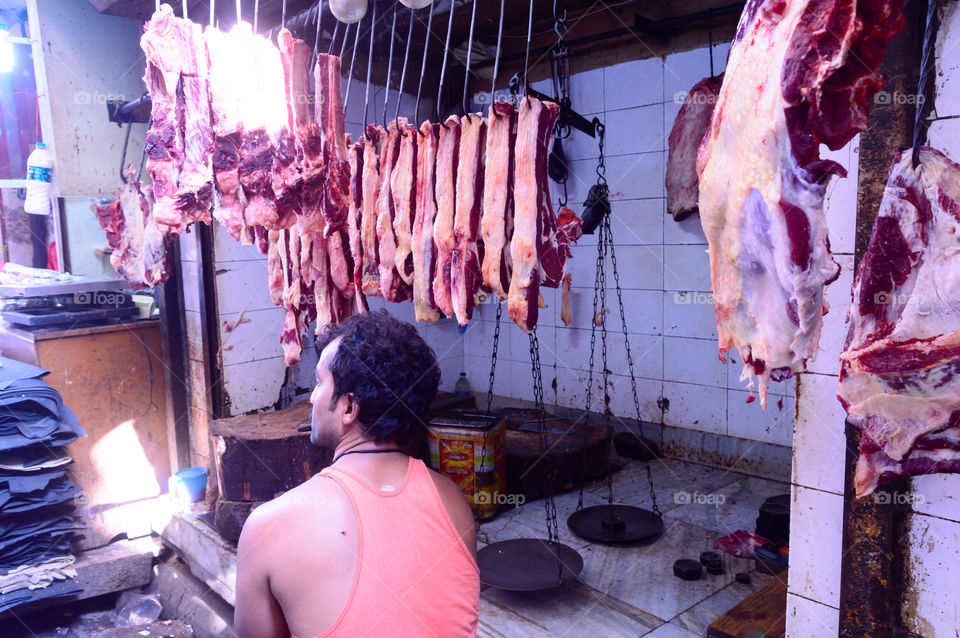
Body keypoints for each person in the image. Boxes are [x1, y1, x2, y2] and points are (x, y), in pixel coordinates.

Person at [234, 311, 479, 638]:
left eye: (320, 382)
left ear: (349, 407)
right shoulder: (453, 503)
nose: (311, 397)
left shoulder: (267, 527)